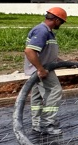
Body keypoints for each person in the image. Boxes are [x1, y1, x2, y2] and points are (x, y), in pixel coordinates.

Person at [24, 7, 67, 135]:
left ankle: (37, 124)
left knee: (37, 97)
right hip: (43, 70)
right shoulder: (42, 31)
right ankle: (48, 124)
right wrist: (40, 69)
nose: (61, 25)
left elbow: (46, 53)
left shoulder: (47, 31)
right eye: (61, 22)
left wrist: (65, 63)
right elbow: (29, 51)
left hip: (40, 69)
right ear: (56, 20)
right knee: (54, 91)